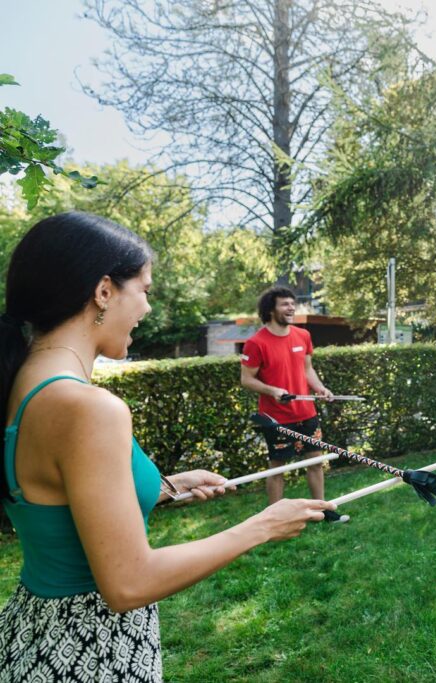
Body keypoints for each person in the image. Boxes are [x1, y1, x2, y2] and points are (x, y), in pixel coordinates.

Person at [0, 212, 335, 681]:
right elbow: (128, 582)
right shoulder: (88, 407)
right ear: (103, 292)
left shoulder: (22, 383)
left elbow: (51, 496)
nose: (148, 308)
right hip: (89, 650)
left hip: (33, 634)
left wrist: (163, 487)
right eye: (145, 291)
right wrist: (262, 526)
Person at [240, 287, 347, 523]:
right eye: (284, 304)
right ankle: (274, 520)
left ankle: (323, 511)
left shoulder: (303, 336)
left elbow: (307, 369)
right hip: (276, 417)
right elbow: (246, 379)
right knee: (278, 467)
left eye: (292, 304)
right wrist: (273, 391)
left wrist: (320, 388)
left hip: (306, 413)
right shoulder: (256, 343)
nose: (291, 308)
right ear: (271, 309)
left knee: (315, 461)